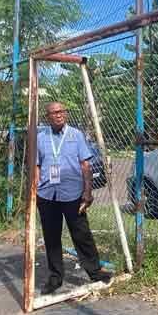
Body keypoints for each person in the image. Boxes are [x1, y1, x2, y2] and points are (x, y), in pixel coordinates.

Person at [35, 101, 112, 295]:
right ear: (48, 117)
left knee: (81, 234)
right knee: (51, 237)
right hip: (47, 194)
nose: (58, 114)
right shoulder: (41, 137)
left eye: (61, 111)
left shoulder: (76, 135)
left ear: (66, 114)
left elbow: (85, 165)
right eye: (54, 112)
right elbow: (36, 165)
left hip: (72, 195)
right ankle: (55, 277)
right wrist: (35, 189)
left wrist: (88, 192)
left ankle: (95, 272)